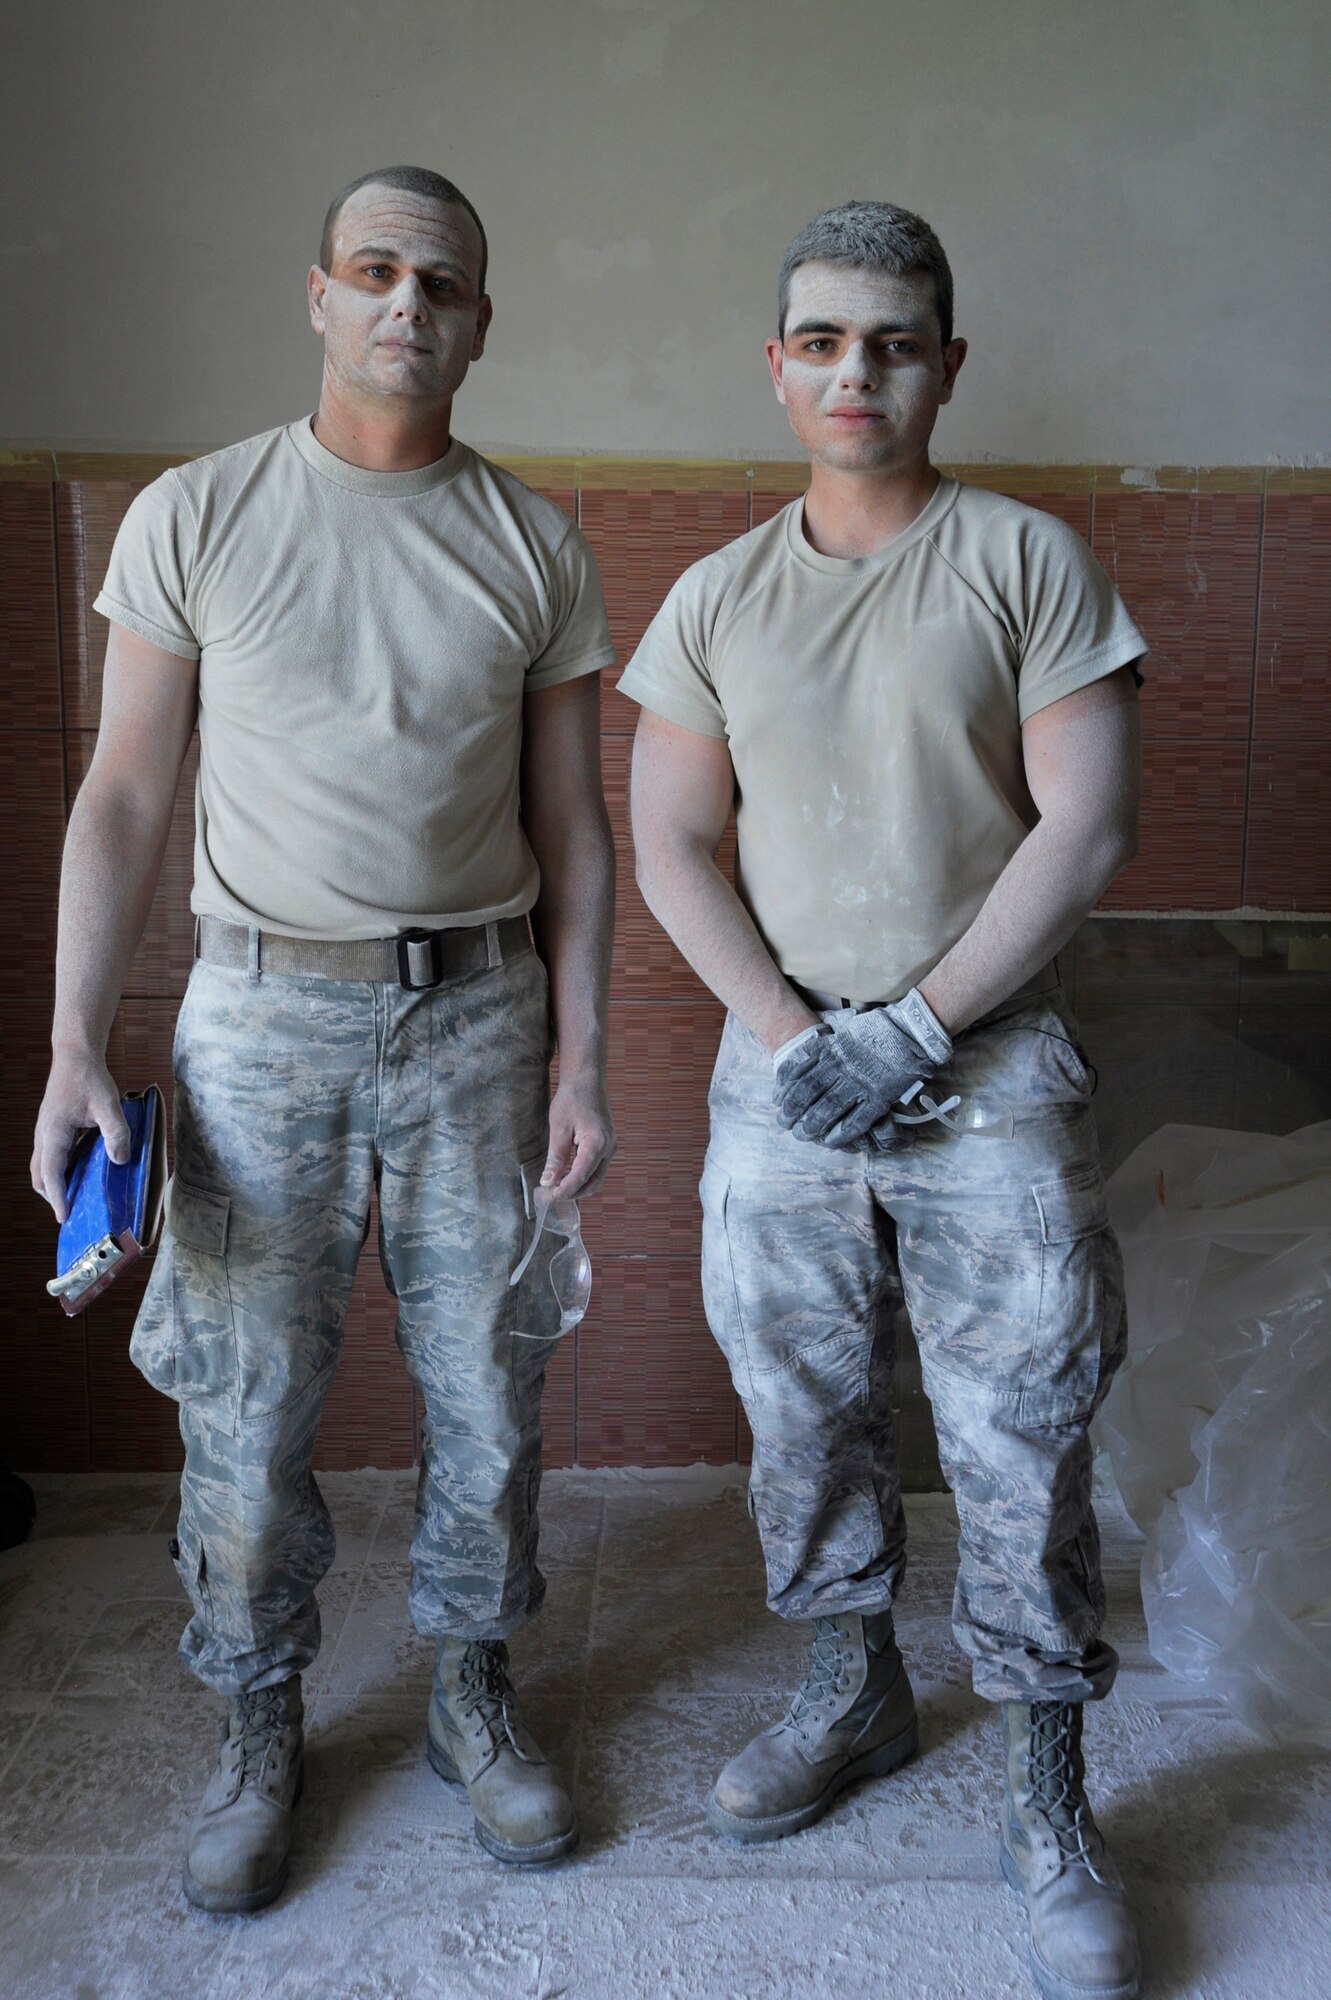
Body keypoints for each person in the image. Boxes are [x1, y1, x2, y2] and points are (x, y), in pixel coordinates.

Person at [31, 165, 617, 1910]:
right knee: (245, 1406)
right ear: (317, 293)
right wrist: (74, 1041)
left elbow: (576, 830)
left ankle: (470, 1699)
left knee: (489, 1392)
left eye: (442, 285)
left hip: (481, 1017)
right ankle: (258, 1722)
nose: (407, 308)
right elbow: (127, 790)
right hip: (260, 1015)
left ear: (483, 324)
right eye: (376, 271)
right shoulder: (197, 515)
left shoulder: (533, 543)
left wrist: (586, 1056)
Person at [621, 201, 1145, 2000]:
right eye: (824, 341)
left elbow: (1085, 824)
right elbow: (672, 839)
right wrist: (788, 1035)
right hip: (783, 1077)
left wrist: (919, 1025)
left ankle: (1049, 1787)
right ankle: (854, 1690)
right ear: (778, 367)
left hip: (983, 1066)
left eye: (896, 340)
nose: (859, 372)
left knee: (1022, 1427)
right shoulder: (716, 594)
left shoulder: (1024, 560)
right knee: (804, 1411)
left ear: (947, 364)